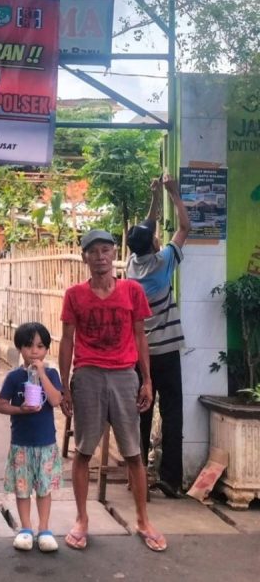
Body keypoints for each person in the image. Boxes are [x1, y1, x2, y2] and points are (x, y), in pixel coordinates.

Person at [59, 229, 167, 553]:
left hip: (124, 375)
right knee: (83, 451)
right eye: (93, 252)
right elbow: (67, 340)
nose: (100, 257)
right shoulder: (75, 295)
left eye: (105, 250)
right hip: (88, 375)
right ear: (85, 258)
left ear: (114, 254)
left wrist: (146, 380)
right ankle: (81, 519)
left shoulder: (132, 291)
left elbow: (140, 336)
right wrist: (64, 386)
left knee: (133, 452)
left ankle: (143, 520)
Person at [126, 175, 191, 498]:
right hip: (166, 353)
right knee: (172, 413)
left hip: (140, 355)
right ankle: (170, 479)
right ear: (154, 245)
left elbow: (146, 229)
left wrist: (154, 197)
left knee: (141, 413)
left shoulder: (131, 267)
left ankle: (137, 476)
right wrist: (174, 194)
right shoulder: (163, 263)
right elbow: (185, 227)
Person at [0, 322, 63, 553]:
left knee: (44, 489)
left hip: (45, 444)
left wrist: (41, 373)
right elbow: (1, 405)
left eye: (40, 346)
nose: (34, 351)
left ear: (46, 349)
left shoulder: (52, 374)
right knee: (23, 489)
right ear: (20, 348)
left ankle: (44, 529)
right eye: (28, 346)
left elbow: (56, 400)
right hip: (22, 444)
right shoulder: (14, 377)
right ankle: (26, 528)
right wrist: (20, 409)